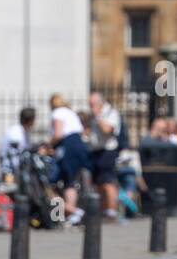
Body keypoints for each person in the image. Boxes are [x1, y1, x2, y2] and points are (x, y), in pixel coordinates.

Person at [49, 94, 89, 226]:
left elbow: (58, 134)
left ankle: (71, 212)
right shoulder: (70, 112)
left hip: (68, 146)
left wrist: (47, 144)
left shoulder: (58, 112)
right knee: (70, 182)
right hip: (79, 145)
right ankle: (70, 215)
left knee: (51, 182)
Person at [88, 92, 124, 221]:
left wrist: (97, 116)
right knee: (99, 183)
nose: (91, 107)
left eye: (93, 104)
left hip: (107, 151)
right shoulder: (94, 115)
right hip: (95, 151)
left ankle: (112, 211)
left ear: (100, 102)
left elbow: (107, 130)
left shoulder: (111, 113)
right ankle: (104, 210)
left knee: (108, 182)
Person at [0, 107, 37, 180]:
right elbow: (14, 156)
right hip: (11, 170)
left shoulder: (23, 132)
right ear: (30, 120)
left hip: (18, 168)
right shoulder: (16, 133)